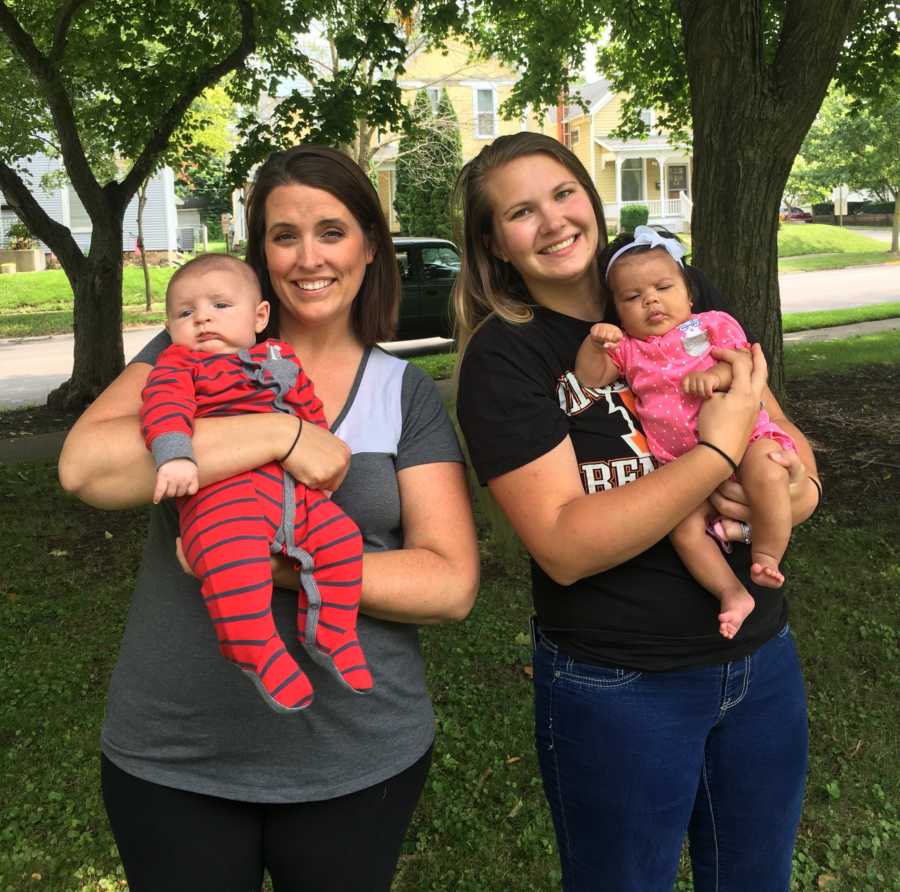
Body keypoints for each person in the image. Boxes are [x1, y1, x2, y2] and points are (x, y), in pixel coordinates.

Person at [58, 145, 479, 892]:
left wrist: (274, 569)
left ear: (369, 245)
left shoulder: (402, 393)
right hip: (176, 754)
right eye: (284, 236)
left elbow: (449, 584)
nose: (308, 257)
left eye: (332, 230)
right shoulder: (199, 342)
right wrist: (279, 434)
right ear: (262, 258)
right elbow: (87, 468)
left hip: (355, 757)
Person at [453, 132, 821, 892]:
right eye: (521, 212)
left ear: (590, 198)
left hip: (759, 663)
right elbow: (563, 544)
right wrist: (714, 461)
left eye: (563, 194)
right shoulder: (507, 359)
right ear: (494, 244)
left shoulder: (679, 292)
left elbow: (792, 450)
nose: (553, 221)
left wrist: (790, 492)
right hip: (619, 683)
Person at [141, 253, 370, 711]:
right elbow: (164, 408)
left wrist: (321, 462)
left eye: (220, 305)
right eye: (185, 313)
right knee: (233, 562)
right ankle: (254, 648)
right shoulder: (180, 364)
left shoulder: (280, 359)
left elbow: (309, 412)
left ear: (259, 316)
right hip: (221, 497)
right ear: (171, 327)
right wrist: (175, 457)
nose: (202, 317)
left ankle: (332, 633)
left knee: (343, 541)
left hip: (292, 493)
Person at [574, 225, 796, 639]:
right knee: (684, 530)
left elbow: (744, 366)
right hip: (681, 468)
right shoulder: (628, 348)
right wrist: (596, 343)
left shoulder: (711, 324)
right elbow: (590, 377)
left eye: (663, 287)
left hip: (745, 442)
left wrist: (715, 374)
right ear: (617, 312)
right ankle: (732, 593)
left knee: (769, 472)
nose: (651, 300)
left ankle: (766, 554)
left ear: (689, 294)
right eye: (633, 297)